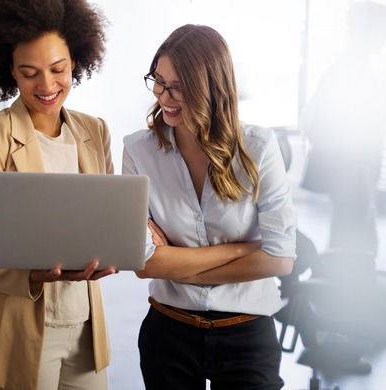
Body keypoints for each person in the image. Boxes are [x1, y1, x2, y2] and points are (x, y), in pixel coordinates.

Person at [0, 0, 117, 390]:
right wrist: (33, 273)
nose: (46, 86)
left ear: (75, 61)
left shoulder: (95, 132)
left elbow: (105, 218)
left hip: (85, 326)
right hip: (15, 326)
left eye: (58, 69)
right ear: (9, 71)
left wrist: (114, 249)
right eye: (29, 73)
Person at [122, 24, 297, 389]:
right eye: (158, 80)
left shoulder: (260, 147)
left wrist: (177, 266)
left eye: (179, 86)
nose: (164, 96)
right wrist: (241, 250)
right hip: (168, 335)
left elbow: (279, 259)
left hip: (246, 335)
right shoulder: (139, 152)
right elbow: (144, 262)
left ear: (211, 88)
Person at [301, 0, 386, 257]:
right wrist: (350, 161)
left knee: (358, 243)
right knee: (352, 247)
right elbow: (318, 121)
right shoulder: (349, 70)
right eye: (383, 29)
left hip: (356, 171)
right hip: (351, 172)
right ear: (367, 29)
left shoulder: (359, 67)